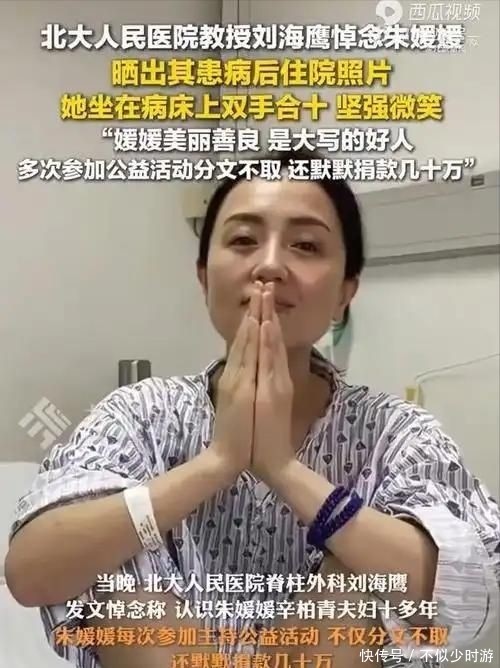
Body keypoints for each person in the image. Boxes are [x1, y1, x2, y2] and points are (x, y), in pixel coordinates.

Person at [4, 149, 499, 668]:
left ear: (344, 293)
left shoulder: (396, 434)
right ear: (204, 278)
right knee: (107, 549)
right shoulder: (141, 414)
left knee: (368, 563)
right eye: (243, 240)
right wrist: (216, 462)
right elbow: (31, 572)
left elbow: (466, 599)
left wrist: (284, 470)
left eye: (305, 245)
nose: (269, 265)